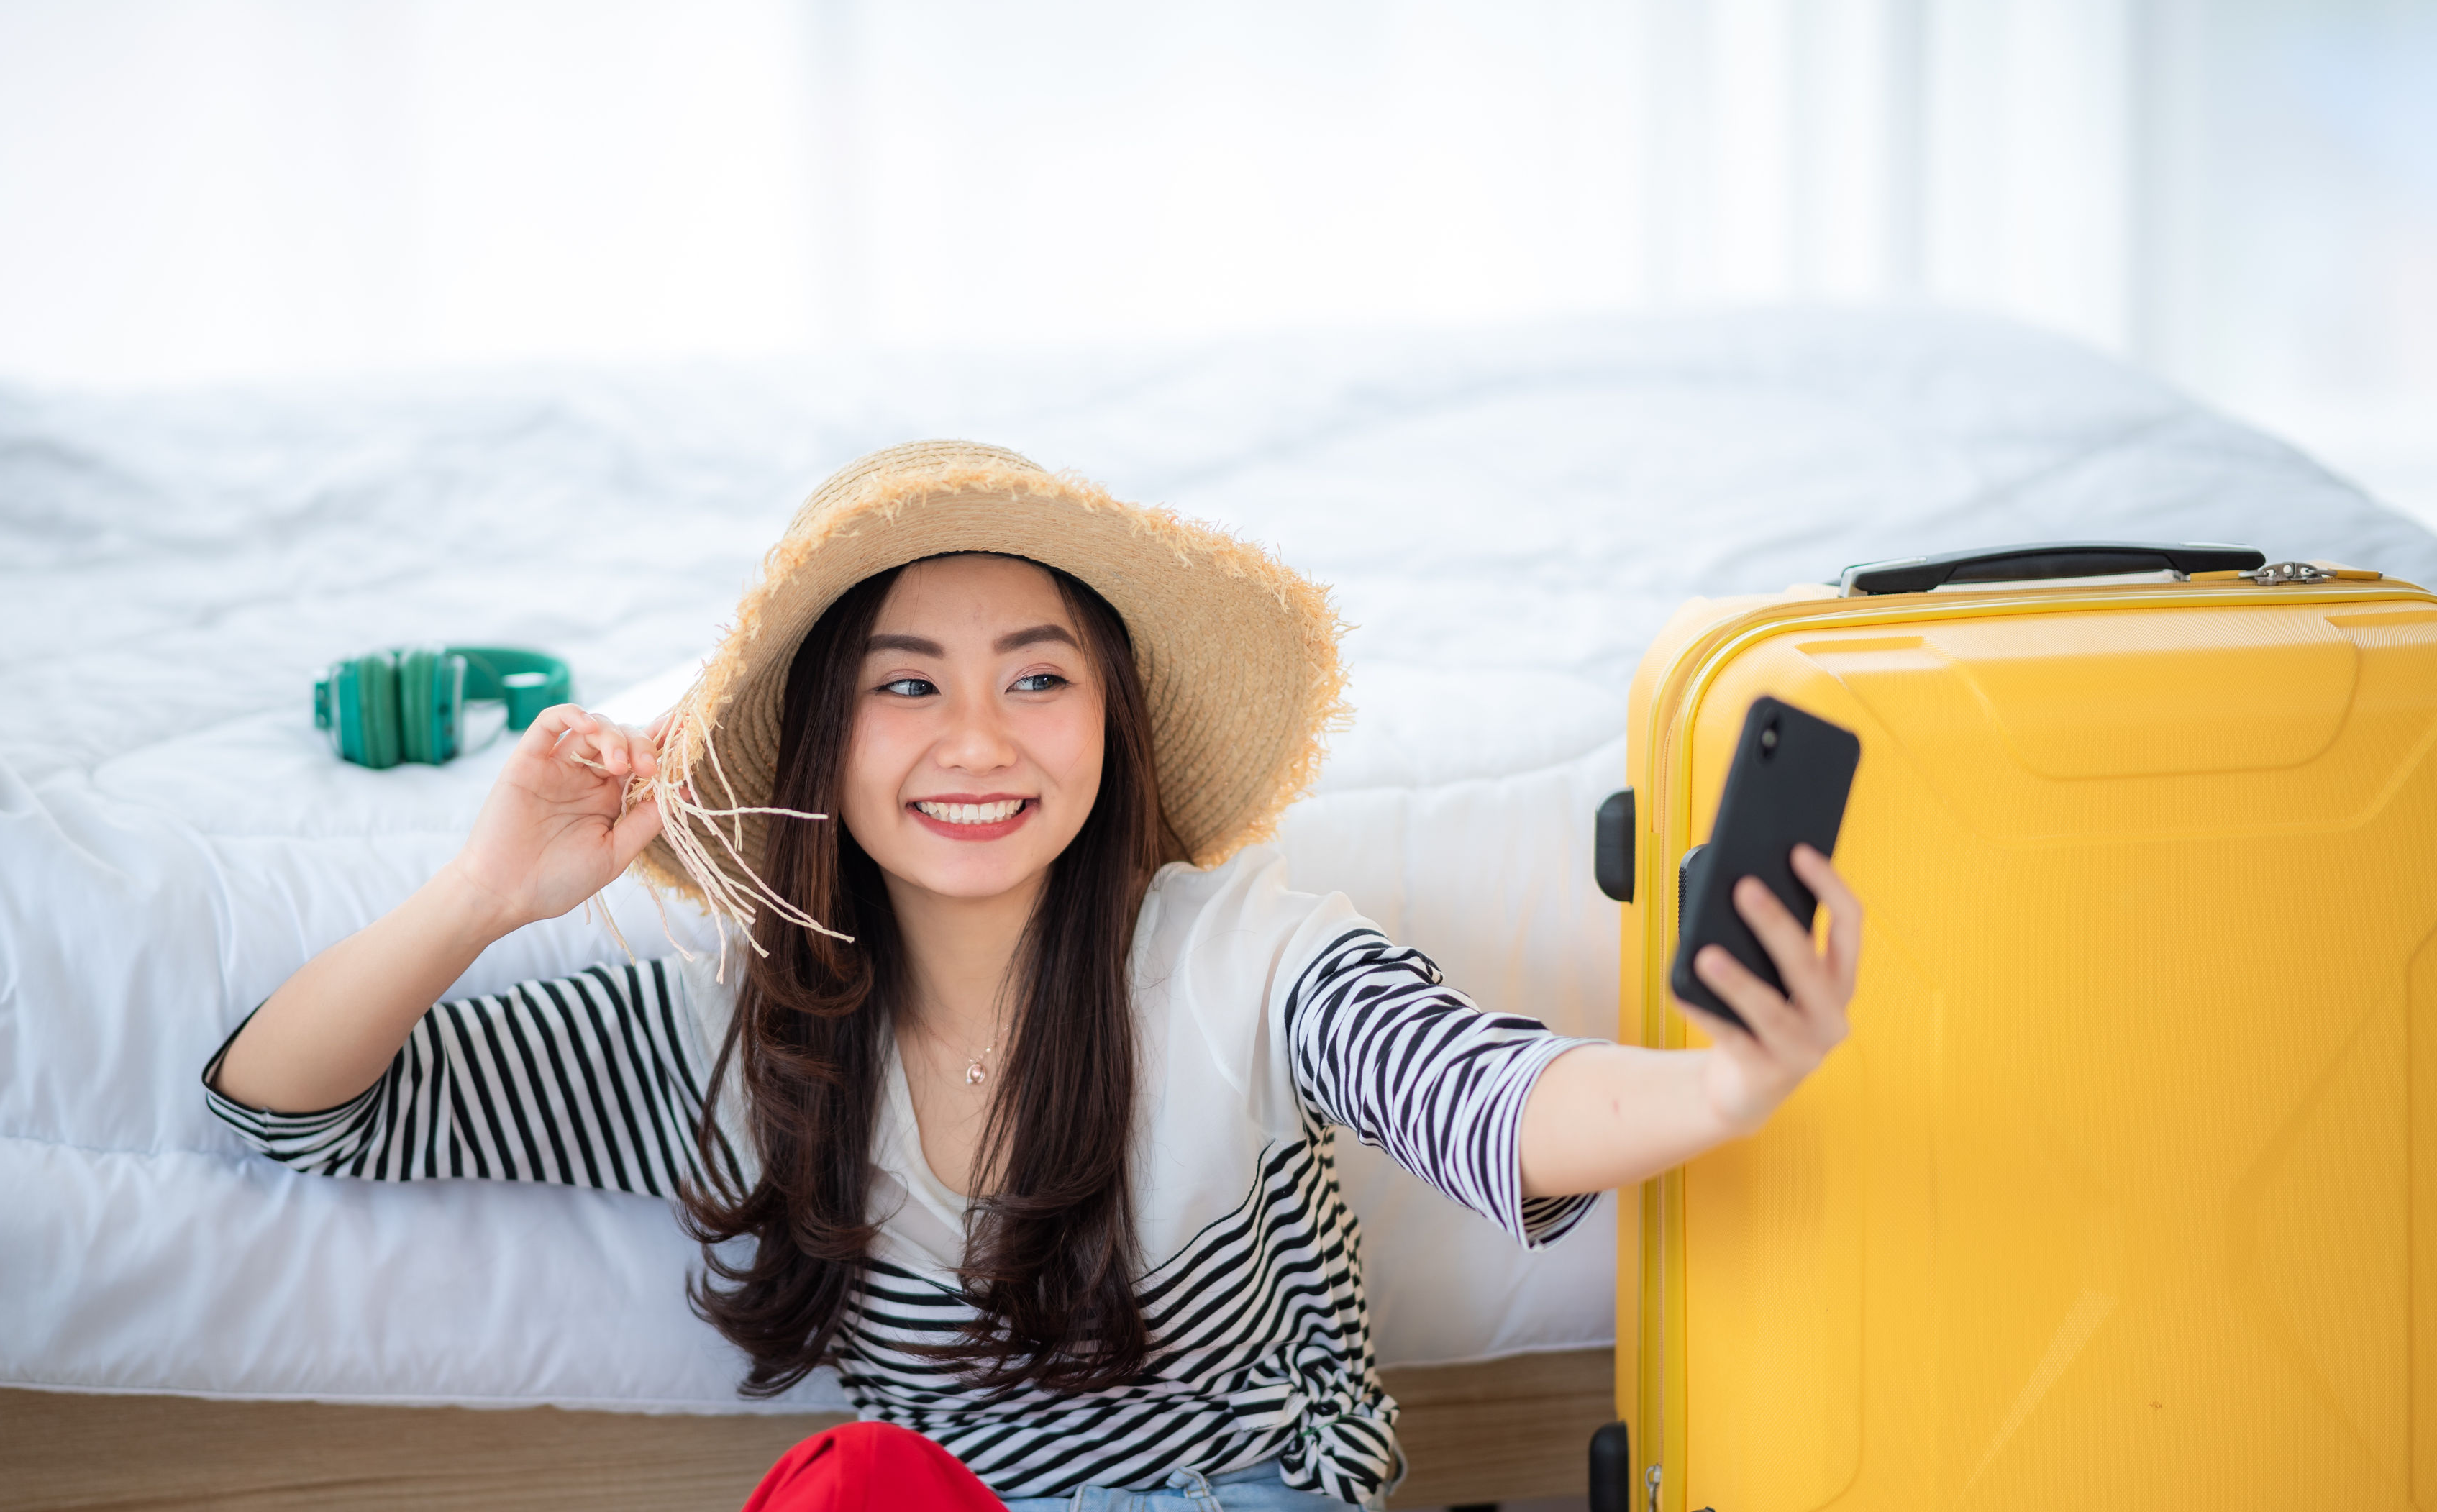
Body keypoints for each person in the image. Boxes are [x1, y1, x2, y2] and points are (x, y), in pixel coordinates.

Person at [204, 442, 1862, 1511]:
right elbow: (286, 1111)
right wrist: (489, 893)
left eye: (1038, 679)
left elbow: (1487, 1099)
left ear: (1109, 726)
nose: (979, 742)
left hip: (1244, 1496)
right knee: (847, 1490)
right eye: (908, 687)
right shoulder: (728, 1026)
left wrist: (1729, 1084)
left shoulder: (1234, 951)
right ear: (828, 744)